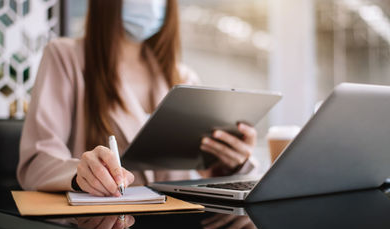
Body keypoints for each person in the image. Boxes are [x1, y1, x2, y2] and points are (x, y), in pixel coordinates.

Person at [17, 0, 259, 197]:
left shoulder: (183, 77)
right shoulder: (65, 57)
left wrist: (233, 163)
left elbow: (202, 172)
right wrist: (79, 175)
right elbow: (37, 163)